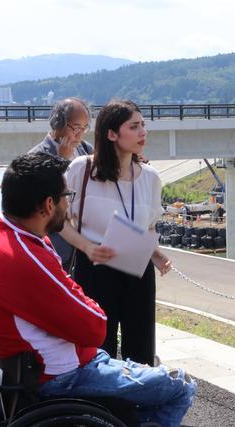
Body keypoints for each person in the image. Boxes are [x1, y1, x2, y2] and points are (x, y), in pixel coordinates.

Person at [0, 153, 195, 427]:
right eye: (67, 195)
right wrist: (81, 299)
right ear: (48, 204)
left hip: (26, 367)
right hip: (62, 375)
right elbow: (95, 328)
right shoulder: (25, 257)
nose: (69, 203)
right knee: (180, 386)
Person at [60, 99, 170, 366]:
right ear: (111, 133)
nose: (143, 132)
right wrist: (86, 246)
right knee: (98, 349)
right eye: (134, 127)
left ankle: (136, 405)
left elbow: (148, 226)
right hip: (95, 267)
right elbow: (59, 221)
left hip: (138, 269)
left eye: (143, 125)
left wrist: (155, 254)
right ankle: (98, 407)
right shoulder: (82, 169)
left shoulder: (151, 177)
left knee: (141, 351)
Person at [28, 97, 94, 270]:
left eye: (84, 128)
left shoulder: (85, 149)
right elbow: (41, 201)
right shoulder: (36, 156)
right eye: (75, 127)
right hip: (55, 246)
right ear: (58, 123)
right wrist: (61, 160)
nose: (79, 134)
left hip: (85, 241)